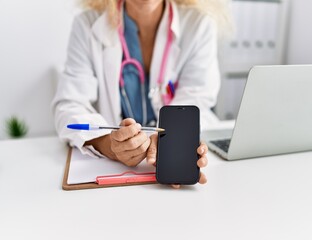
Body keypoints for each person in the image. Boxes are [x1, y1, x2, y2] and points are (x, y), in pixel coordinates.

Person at [52, 0, 228, 187]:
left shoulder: (198, 25)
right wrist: (108, 145)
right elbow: (69, 105)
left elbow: (197, 98)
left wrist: (175, 141)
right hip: (113, 178)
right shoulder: (87, 25)